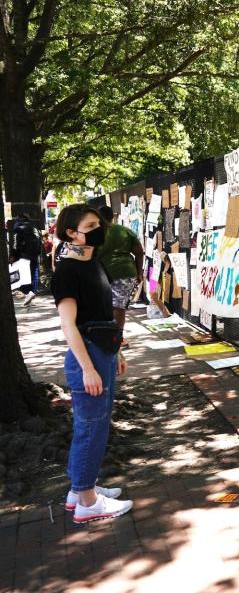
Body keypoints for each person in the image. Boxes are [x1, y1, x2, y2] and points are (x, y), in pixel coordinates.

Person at [51, 204, 133, 523]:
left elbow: (101, 316)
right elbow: (69, 325)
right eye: (90, 224)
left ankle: (80, 489)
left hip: (104, 352)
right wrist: (87, 367)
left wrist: (117, 353)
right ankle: (88, 501)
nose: (98, 228)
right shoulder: (68, 271)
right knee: (91, 429)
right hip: (87, 356)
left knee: (91, 426)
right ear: (72, 233)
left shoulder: (93, 262)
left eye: (98, 223)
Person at [96, 205, 144, 336]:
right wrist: (139, 273)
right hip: (125, 273)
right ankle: (117, 336)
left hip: (101, 275)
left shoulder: (95, 233)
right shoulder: (124, 231)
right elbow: (139, 252)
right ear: (112, 217)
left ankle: (108, 335)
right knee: (118, 306)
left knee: (105, 306)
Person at [10, 213, 42, 305]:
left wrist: (13, 255)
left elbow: (16, 243)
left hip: (23, 255)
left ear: (18, 218)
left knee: (23, 275)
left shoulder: (18, 227)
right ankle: (32, 292)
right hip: (34, 254)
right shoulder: (34, 227)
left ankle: (27, 293)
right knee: (34, 273)